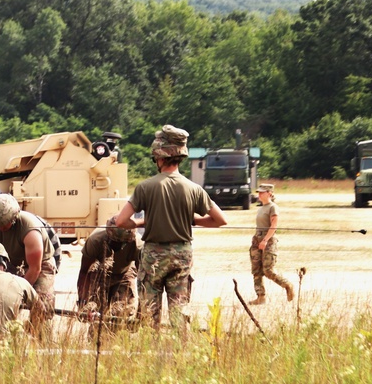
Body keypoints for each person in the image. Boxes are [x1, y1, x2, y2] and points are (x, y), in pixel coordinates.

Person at [114, 125, 227, 334]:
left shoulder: (145, 187)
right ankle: (181, 352)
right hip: (182, 254)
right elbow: (220, 220)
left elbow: (121, 221)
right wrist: (191, 221)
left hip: (154, 255)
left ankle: (151, 352)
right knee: (179, 310)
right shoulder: (193, 188)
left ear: (160, 157)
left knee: (149, 312)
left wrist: (141, 223)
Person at [0, 194, 60, 335]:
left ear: (14, 217)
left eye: (5, 224)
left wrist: (18, 294)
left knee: (42, 307)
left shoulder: (30, 230)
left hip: (40, 265)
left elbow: (35, 269)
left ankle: (36, 335)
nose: (2, 228)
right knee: (0, 301)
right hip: (10, 264)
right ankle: (5, 336)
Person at [77, 215, 142, 331]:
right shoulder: (95, 240)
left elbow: (144, 280)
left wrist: (141, 313)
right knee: (96, 314)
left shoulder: (138, 245)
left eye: (122, 243)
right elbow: (84, 272)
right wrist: (83, 302)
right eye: (115, 242)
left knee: (123, 313)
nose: (118, 247)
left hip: (125, 272)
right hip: (99, 271)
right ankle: (96, 341)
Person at [250, 183, 295, 304]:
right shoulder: (261, 207)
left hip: (268, 241)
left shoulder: (273, 207)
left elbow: (274, 225)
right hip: (257, 239)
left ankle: (287, 285)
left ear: (269, 193)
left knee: (268, 270)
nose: (259, 194)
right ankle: (260, 297)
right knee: (256, 270)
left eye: (262, 192)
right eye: (258, 192)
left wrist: (265, 240)